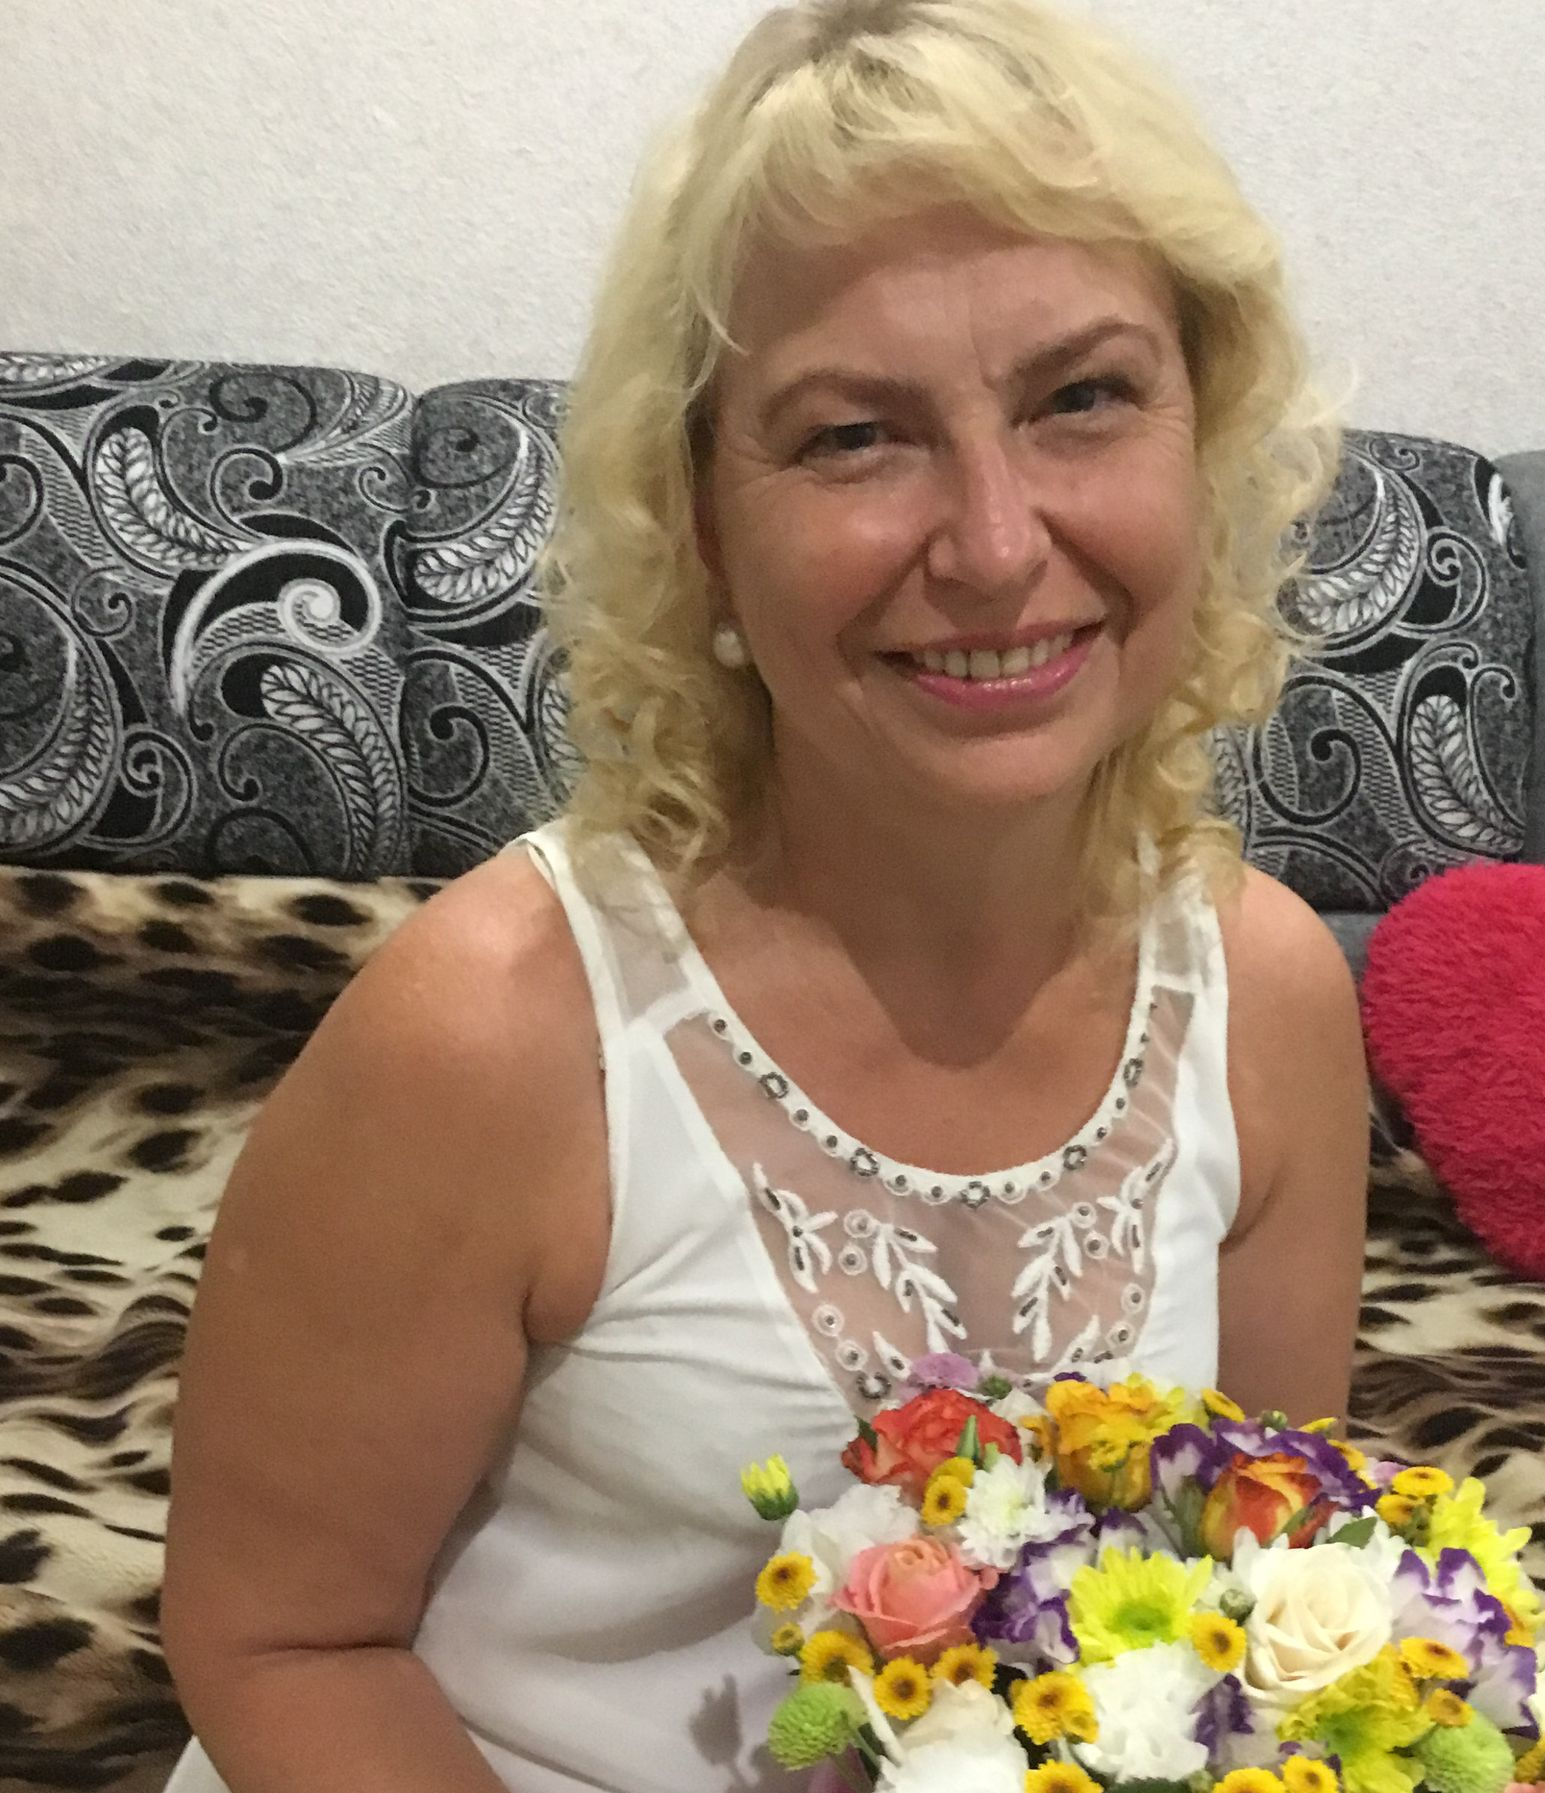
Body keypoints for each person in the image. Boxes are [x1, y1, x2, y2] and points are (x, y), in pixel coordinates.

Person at [157, 1, 1367, 1788]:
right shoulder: (496, 1031)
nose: (995, 543)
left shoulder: (1267, 997)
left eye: (1082, 398)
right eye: (852, 437)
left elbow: (1245, 1584)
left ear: (1206, 426)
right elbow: (277, 1637)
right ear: (704, 520)